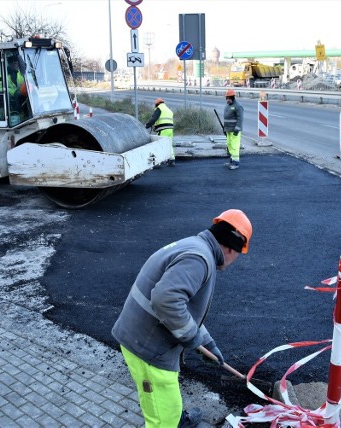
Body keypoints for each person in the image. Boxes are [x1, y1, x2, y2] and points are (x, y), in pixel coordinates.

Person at [112, 209, 253, 428]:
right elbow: (165, 300)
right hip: (148, 349)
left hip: (143, 335)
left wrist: (207, 342)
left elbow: (185, 308)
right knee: (162, 420)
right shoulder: (199, 259)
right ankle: (172, 421)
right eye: (238, 254)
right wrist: (191, 338)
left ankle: (178, 419)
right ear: (231, 247)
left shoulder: (195, 246)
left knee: (167, 403)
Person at [145, 98, 175, 167]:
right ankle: (172, 160)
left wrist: (147, 125)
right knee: (169, 144)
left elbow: (154, 119)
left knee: (159, 144)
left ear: (157, 104)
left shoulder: (159, 109)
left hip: (162, 129)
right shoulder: (169, 110)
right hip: (170, 130)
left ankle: (157, 162)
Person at [223, 89, 244, 170]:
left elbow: (240, 119)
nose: (227, 100)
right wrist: (225, 129)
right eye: (226, 98)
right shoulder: (227, 106)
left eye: (228, 98)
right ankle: (231, 160)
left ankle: (236, 163)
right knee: (229, 144)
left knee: (235, 146)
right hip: (228, 130)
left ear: (232, 97)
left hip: (235, 130)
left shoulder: (238, 106)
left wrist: (237, 129)